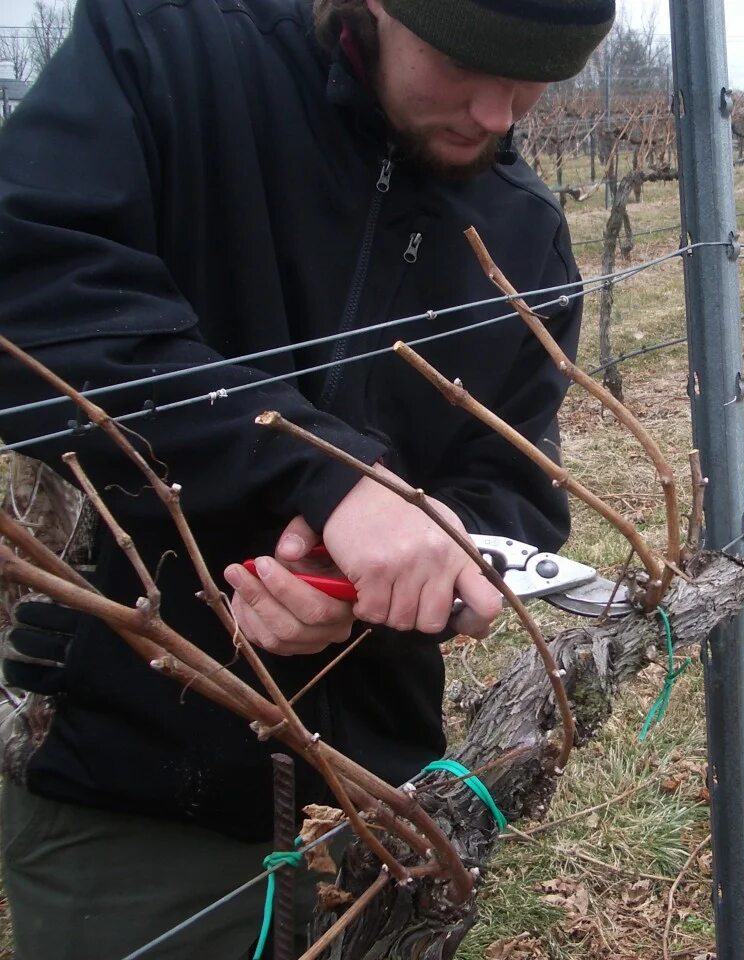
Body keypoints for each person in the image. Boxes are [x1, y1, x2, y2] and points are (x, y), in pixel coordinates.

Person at [0, 0, 614, 956]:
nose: (498, 114)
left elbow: (514, 493)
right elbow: (33, 303)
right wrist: (329, 477)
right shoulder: (168, 50)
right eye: (462, 62)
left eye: (538, 79)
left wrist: (399, 581)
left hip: (380, 806)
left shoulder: (522, 238)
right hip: (129, 780)